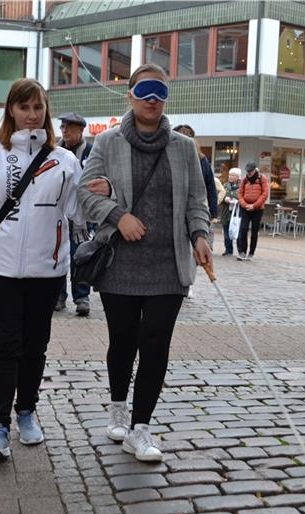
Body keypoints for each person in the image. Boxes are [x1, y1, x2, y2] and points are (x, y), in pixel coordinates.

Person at [77, 64, 212, 462]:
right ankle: (117, 405)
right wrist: (119, 215)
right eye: (145, 91)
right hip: (120, 261)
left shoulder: (184, 148)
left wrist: (200, 236)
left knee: (155, 343)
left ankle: (141, 427)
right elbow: (85, 194)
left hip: (168, 264)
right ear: (130, 96)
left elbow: (196, 201)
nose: (153, 98)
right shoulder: (107, 143)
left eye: (161, 91)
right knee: (122, 340)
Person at [0, 78, 83, 460]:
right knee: (4, 346)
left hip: (48, 270)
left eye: (38, 108)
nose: (31, 115)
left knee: (35, 347)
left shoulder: (64, 160)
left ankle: (26, 411)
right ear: (11, 110)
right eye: (24, 107)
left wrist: (100, 192)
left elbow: (76, 211)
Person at [54, 111, 93, 316]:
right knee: (57, 254)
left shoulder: (91, 152)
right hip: (57, 213)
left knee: (81, 255)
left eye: (69, 127)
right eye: (62, 127)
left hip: (82, 218)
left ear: (81, 129)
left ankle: (82, 296)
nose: (64, 130)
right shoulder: (54, 151)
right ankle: (59, 295)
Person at [236, 162, 268, 261]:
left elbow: (265, 194)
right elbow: (240, 193)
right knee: (243, 229)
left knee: (254, 231)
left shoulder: (262, 179)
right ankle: (242, 252)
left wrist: (254, 206)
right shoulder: (244, 180)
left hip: (257, 209)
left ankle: (251, 253)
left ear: (255, 170)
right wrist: (245, 205)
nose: (249, 173)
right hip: (245, 208)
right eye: (248, 171)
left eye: (250, 171)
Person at [220, 167, 241, 256]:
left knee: (238, 232)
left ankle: (241, 250)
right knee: (226, 232)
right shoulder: (224, 186)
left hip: (237, 213)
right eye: (229, 174)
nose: (230, 177)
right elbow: (220, 196)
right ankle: (228, 250)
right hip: (226, 212)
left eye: (233, 175)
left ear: (237, 177)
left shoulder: (241, 186)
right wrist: (225, 199)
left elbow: (243, 197)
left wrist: (236, 199)